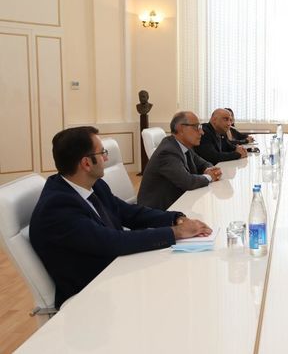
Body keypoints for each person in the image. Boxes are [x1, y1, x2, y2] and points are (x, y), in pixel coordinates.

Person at [29, 126, 211, 309]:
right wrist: (176, 233)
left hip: (116, 271)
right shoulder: (58, 207)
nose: (106, 159)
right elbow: (111, 242)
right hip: (91, 296)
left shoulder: (94, 185)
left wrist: (175, 218)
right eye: (102, 153)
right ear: (86, 163)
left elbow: (129, 213)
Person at [138, 111, 223, 210]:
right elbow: (188, 182)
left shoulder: (184, 146)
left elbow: (203, 163)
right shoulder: (167, 151)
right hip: (158, 212)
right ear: (181, 129)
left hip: (177, 203)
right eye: (196, 127)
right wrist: (210, 176)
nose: (202, 132)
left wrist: (209, 169)